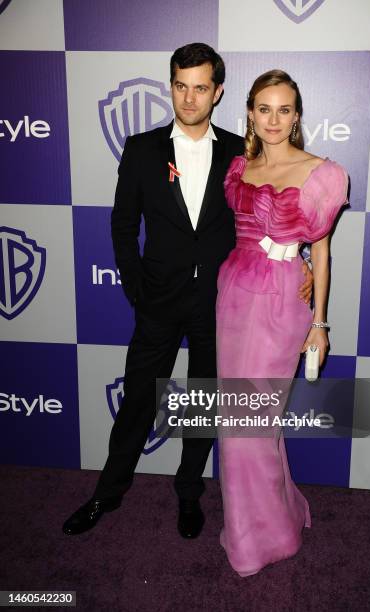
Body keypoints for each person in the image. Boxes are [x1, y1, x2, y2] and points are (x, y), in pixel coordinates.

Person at [62, 45, 312, 539]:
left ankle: (189, 494)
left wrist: (300, 259)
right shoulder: (142, 149)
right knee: (137, 400)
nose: (189, 97)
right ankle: (107, 493)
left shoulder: (241, 155)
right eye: (181, 85)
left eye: (201, 87)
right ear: (170, 85)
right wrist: (137, 289)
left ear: (217, 92)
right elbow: (122, 225)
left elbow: (265, 218)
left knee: (201, 401)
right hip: (157, 300)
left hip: (219, 304)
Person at [216, 69, 348, 576]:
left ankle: (264, 538)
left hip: (280, 301)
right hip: (233, 294)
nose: (274, 119)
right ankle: (271, 520)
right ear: (250, 112)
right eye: (264, 109)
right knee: (239, 423)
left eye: (284, 110)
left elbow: (323, 252)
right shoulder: (238, 167)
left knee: (253, 424)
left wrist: (320, 324)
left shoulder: (322, 172)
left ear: (296, 117)